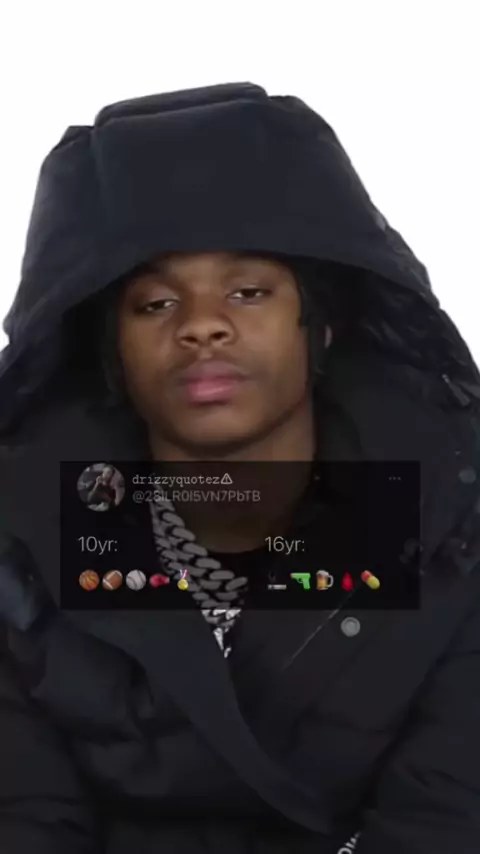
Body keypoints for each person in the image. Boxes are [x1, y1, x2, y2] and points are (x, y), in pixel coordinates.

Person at [0, 81, 480, 854]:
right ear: (111, 355)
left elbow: (445, 818)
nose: (203, 326)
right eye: (155, 304)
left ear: (320, 327)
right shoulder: (25, 539)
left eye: (249, 292)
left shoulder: (453, 525)